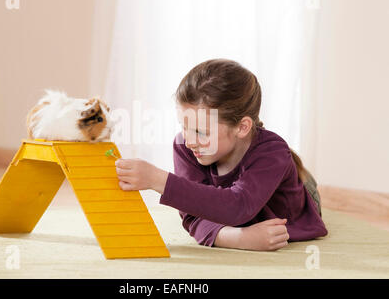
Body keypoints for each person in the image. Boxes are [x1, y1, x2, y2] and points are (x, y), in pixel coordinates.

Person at [114, 58, 327, 251]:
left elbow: (238, 206)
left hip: (283, 201)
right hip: (237, 205)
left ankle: (303, 181)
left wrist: (157, 180)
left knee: (295, 180)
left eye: (201, 132)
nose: (189, 140)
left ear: (242, 127)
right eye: (184, 126)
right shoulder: (186, 145)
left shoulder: (272, 151)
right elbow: (192, 215)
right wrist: (237, 237)